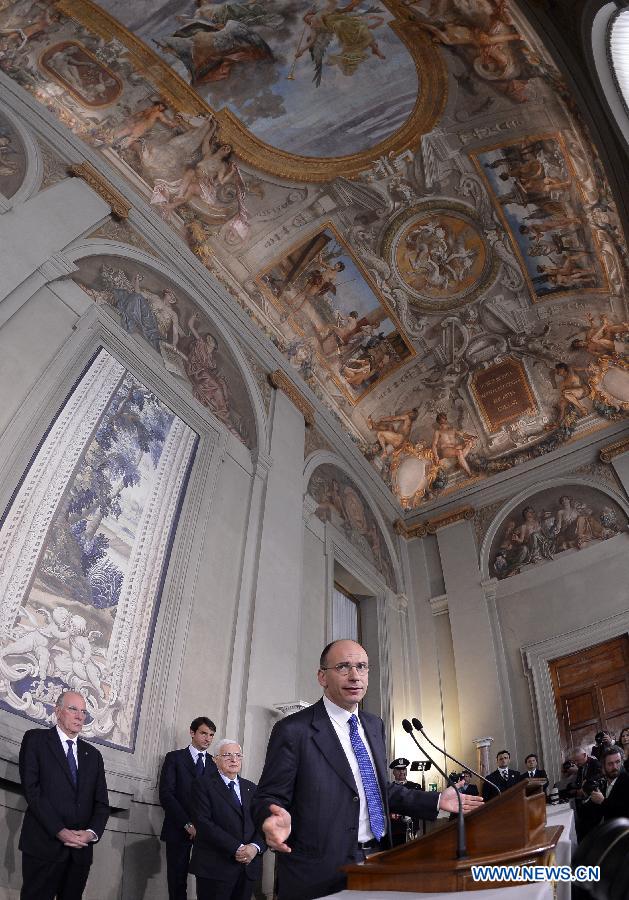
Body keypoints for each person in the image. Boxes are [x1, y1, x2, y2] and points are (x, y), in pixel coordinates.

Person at [252, 639, 483, 900]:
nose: (354, 676)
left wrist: (437, 800)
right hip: (317, 871)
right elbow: (267, 796)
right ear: (322, 676)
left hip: (377, 859)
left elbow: (377, 788)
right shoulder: (294, 730)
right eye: (343, 667)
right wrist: (269, 818)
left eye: (361, 667)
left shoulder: (374, 725)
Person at [18, 691, 109, 900]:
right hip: (43, 846)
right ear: (57, 711)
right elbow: (32, 791)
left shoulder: (94, 756)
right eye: (73, 709)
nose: (80, 716)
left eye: (84, 712)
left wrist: (91, 833)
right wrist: (59, 830)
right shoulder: (36, 740)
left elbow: (102, 804)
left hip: (79, 853)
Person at [189, 739, 265, 900]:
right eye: (227, 755)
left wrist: (255, 847)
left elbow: (263, 823)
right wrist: (237, 848)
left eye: (238, 755)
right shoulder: (202, 785)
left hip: (247, 867)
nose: (234, 759)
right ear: (215, 759)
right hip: (215, 867)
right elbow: (203, 822)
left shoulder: (252, 788)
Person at [159, 717, 217, 900]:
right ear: (192, 733)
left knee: (207, 882)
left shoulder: (214, 764)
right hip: (178, 829)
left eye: (211, 735)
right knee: (177, 881)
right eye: (203, 733)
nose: (208, 739)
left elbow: (216, 801)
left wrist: (204, 827)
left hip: (206, 834)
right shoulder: (174, 758)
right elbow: (166, 795)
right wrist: (187, 824)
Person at [578, 746, 629, 838]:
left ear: (622, 762)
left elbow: (624, 813)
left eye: (618, 762)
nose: (615, 767)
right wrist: (588, 796)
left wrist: (602, 801)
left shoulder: (626, 781)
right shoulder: (605, 782)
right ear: (603, 766)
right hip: (604, 830)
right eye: (610, 764)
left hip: (620, 835)